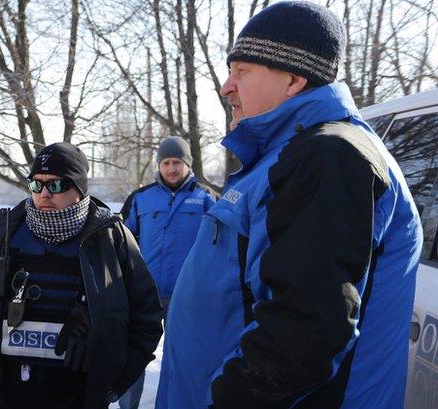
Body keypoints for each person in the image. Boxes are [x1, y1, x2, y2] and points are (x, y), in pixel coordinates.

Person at [155, 2, 423, 408]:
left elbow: (303, 335)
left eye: (242, 72)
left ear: (294, 79)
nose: (227, 87)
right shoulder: (287, 156)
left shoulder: (329, 156)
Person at [0, 142, 163, 409]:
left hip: (80, 395)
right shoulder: (3, 235)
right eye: (36, 184)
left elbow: (146, 318)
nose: (44, 193)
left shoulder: (110, 238)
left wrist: (112, 383)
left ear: (78, 188)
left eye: (55, 185)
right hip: (10, 395)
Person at [118, 136, 216, 409]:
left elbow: (220, 247)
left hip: (189, 294)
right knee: (135, 353)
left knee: (184, 357)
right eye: (166, 162)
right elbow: (122, 243)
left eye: (177, 162)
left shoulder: (207, 198)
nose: (172, 169)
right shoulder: (141, 198)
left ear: (188, 164)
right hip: (146, 294)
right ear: (159, 165)